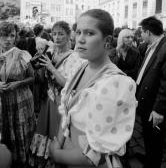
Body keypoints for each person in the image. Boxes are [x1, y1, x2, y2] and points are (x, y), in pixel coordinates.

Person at [49, 9, 137, 168]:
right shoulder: (80, 68)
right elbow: (67, 115)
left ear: (107, 41)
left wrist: (57, 155)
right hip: (68, 153)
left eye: (89, 33)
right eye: (78, 32)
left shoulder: (114, 83)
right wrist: (60, 142)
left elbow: (95, 156)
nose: (80, 39)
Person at [29, 21, 84, 167]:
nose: (57, 37)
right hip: (48, 99)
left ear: (68, 36)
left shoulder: (75, 57)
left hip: (62, 102)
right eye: (54, 34)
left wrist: (51, 68)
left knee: (57, 133)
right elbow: (41, 78)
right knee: (44, 130)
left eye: (61, 34)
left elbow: (69, 85)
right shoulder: (51, 52)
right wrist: (37, 65)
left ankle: (56, 159)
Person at [0, 22, 35, 167]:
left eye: (11, 36)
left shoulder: (22, 54)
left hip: (20, 100)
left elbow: (33, 78)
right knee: (6, 129)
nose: (8, 39)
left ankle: (21, 160)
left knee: (19, 130)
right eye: (4, 35)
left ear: (15, 38)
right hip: (3, 101)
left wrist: (18, 83)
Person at [136, 16, 166, 168]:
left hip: (154, 107)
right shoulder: (153, 45)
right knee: (148, 137)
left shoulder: (164, 47)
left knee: (155, 140)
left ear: (148, 32)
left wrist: (159, 110)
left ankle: (152, 163)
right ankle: (149, 158)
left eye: (142, 32)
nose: (140, 35)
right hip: (146, 102)